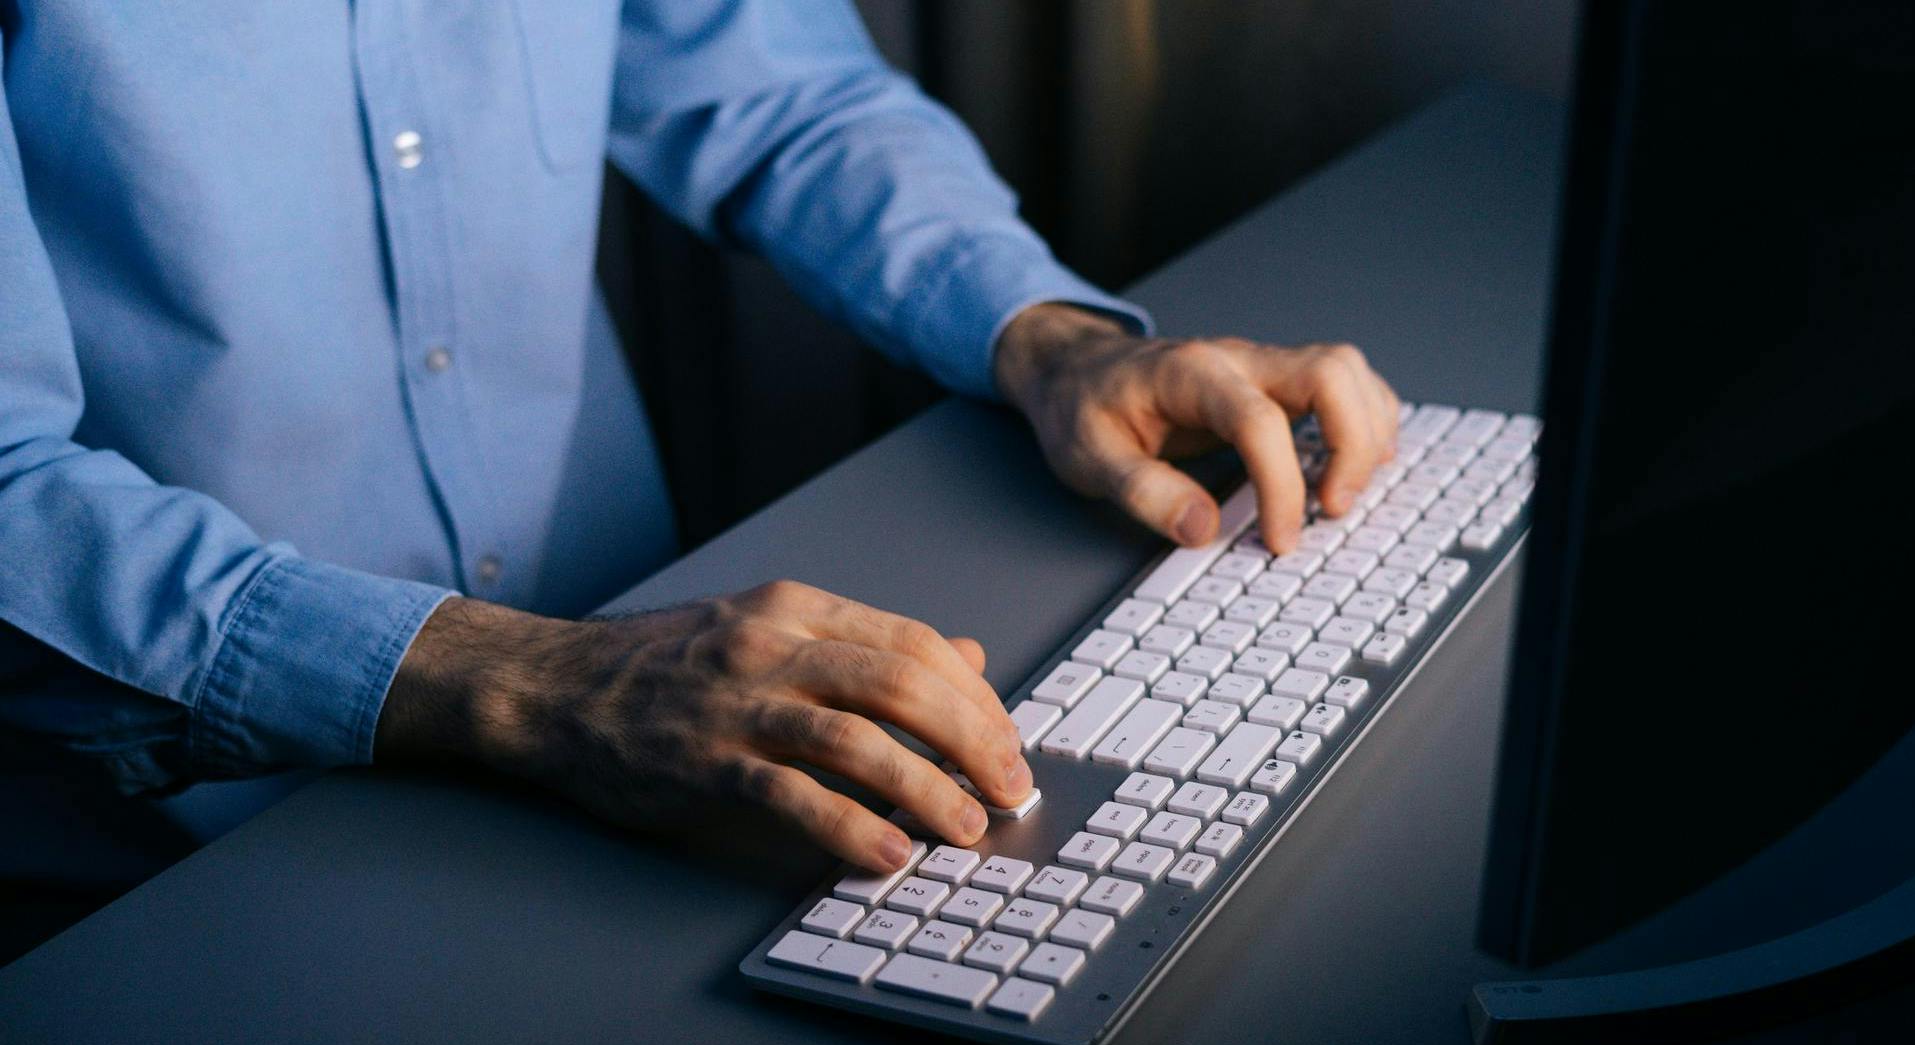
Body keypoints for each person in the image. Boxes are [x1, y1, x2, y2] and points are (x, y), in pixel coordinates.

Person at [0, 2, 1400, 885]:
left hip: (658, 716)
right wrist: (526, 681)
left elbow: (786, 91)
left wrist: (1051, 340)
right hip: (175, 861)